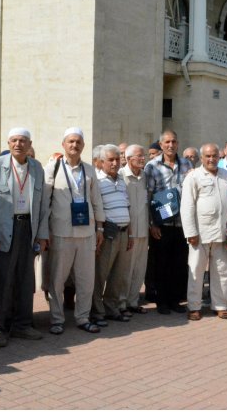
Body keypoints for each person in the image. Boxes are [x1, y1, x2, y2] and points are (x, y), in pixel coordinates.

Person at [0, 128, 49, 347]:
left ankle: (22, 325)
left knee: (25, 279)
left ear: (29, 144)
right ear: (8, 144)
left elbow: (43, 206)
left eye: (23, 141)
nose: (18, 144)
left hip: (27, 229)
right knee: (1, 281)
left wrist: (42, 234)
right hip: (2, 231)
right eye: (14, 140)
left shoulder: (37, 168)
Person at [43, 127, 106, 334]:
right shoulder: (53, 168)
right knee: (57, 280)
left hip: (86, 232)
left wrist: (99, 227)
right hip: (61, 232)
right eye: (70, 141)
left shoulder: (89, 170)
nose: (74, 145)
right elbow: (45, 201)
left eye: (78, 142)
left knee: (86, 280)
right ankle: (57, 319)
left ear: (83, 146)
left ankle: (82, 318)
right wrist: (45, 231)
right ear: (63, 144)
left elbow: (96, 200)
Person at [181, 143, 227, 320]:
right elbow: (187, 206)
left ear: (219, 157)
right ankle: (194, 307)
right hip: (200, 234)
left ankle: (220, 305)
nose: (211, 159)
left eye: (214, 156)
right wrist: (191, 232)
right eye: (208, 156)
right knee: (196, 271)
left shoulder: (226, 175)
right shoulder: (194, 176)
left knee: (222, 271)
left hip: (221, 233)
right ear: (202, 158)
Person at [145, 130, 193, 315]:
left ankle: (175, 300)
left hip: (182, 223)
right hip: (162, 223)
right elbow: (148, 196)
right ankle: (162, 301)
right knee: (161, 264)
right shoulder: (152, 166)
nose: (170, 145)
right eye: (167, 142)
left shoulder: (187, 164)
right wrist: (152, 223)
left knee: (179, 263)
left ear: (178, 143)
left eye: (174, 141)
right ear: (161, 144)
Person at [93, 144, 133, 324]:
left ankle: (111, 308)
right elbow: (96, 208)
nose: (115, 163)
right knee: (100, 274)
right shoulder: (97, 182)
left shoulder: (122, 180)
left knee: (118, 275)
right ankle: (97, 312)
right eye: (110, 160)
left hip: (124, 233)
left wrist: (130, 233)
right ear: (101, 162)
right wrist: (99, 231)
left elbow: (127, 206)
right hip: (108, 233)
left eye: (117, 159)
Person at [116, 144, 149, 314]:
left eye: (143, 155)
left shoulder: (145, 176)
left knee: (139, 269)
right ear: (129, 159)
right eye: (139, 156)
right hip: (128, 232)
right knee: (125, 270)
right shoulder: (121, 176)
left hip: (143, 230)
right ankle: (121, 304)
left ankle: (133, 302)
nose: (143, 158)